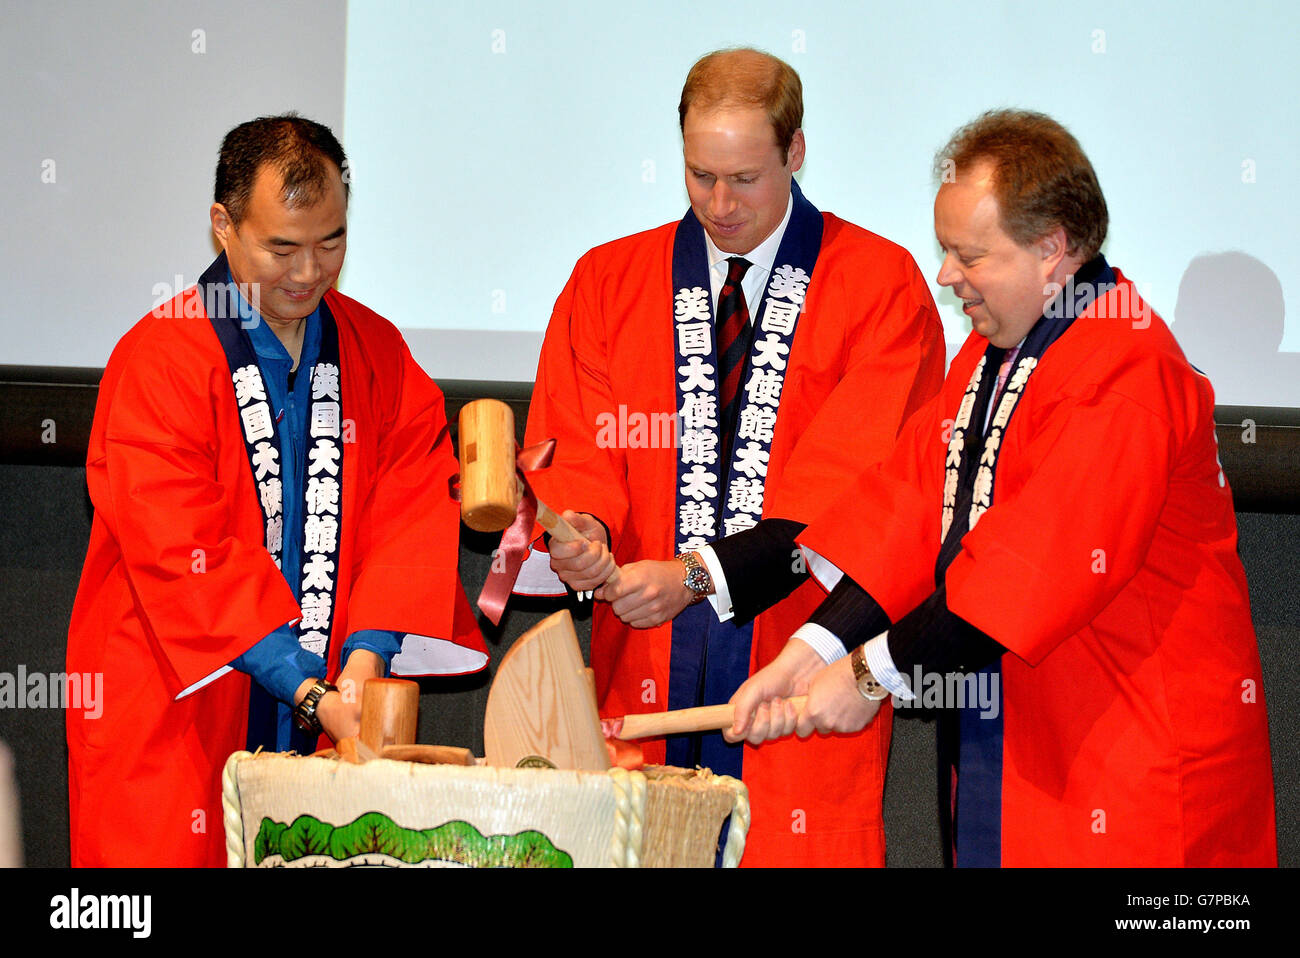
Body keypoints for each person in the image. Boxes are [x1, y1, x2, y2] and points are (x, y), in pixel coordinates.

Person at [728, 109, 1278, 866]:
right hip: (1029, 751)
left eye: (968, 255)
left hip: (1133, 768)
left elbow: (1029, 573)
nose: (946, 275)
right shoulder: (994, 357)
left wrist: (865, 677)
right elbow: (911, 510)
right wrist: (803, 653)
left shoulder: (1127, 368)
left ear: (1053, 250)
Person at [518, 49, 945, 866]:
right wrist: (583, 533)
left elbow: (860, 497)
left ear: (796, 152)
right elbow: (581, 449)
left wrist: (697, 575)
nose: (719, 203)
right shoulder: (607, 280)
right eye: (699, 174)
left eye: (744, 177)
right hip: (639, 665)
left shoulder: (879, 286)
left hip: (799, 671)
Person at [66, 115, 488, 867]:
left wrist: (364, 658)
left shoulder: (377, 350)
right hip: (181, 710)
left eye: (332, 241)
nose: (309, 272)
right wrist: (307, 690)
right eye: (282, 247)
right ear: (223, 226)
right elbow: (182, 553)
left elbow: (412, 505)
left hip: (332, 708)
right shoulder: (159, 362)